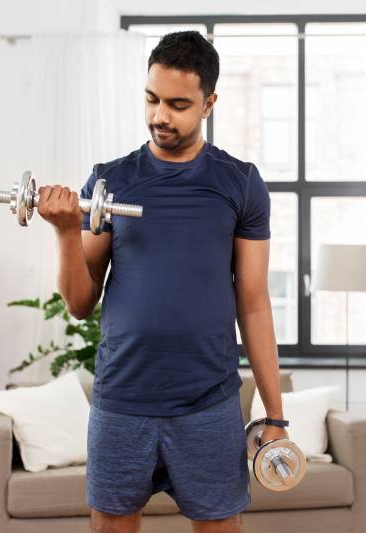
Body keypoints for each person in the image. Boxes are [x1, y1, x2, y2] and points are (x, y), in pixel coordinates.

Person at [36, 31, 289, 533]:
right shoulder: (111, 181)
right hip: (122, 403)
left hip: (208, 405)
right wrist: (67, 230)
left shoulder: (239, 183)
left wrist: (274, 416)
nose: (159, 116)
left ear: (209, 103)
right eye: (151, 99)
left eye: (177, 104)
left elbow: (254, 305)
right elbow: (81, 304)